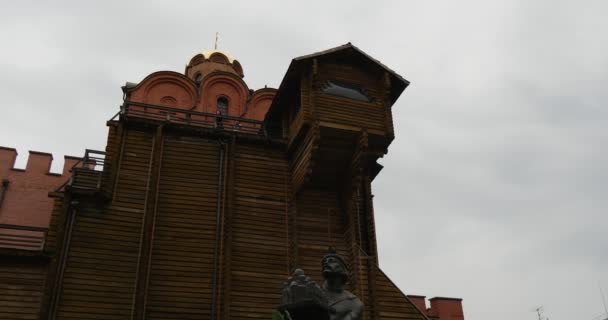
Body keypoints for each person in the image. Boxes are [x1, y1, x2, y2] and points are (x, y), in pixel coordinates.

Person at [321, 248, 363, 320]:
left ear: (342, 269)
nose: (326, 263)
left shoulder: (354, 303)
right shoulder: (313, 294)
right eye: (325, 262)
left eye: (332, 261)